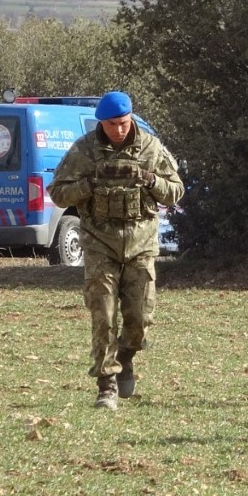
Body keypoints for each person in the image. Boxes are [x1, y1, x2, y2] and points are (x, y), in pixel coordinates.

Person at [48, 91, 184, 410]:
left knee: (139, 319)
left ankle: (125, 356)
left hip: (141, 244)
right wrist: (88, 185)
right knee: (104, 315)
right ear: (101, 123)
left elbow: (175, 191)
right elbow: (57, 193)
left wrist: (150, 180)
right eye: (112, 124)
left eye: (124, 123)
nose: (119, 130)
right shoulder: (84, 150)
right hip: (99, 244)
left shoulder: (150, 148)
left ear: (131, 118)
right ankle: (106, 384)